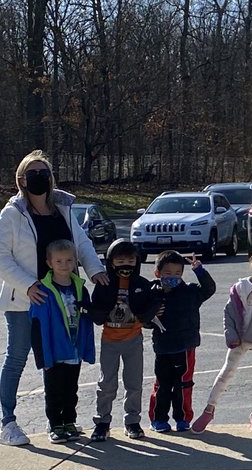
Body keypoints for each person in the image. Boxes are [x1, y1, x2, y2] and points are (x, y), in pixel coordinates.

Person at [0, 151, 106, 447]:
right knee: (17, 356)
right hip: (26, 299)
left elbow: (80, 242)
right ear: (21, 179)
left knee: (61, 361)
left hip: (62, 298)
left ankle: (62, 420)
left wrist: (95, 270)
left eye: (43, 172)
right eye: (31, 173)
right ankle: (7, 421)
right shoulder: (11, 214)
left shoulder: (63, 208)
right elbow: (2, 257)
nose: (38, 178)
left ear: (51, 178)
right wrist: (29, 285)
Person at [192, 246, 252, 434]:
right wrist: (232, 336)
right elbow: (229, 312)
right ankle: (209, 409)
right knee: (226, 373)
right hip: (240, 338)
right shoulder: (240, 286)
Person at [86, 239, 161, 442]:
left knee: (134, 383)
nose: (125, 264)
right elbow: (96, 310)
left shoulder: (142, 285)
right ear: (111, 262)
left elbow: (149, 312)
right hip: (110, 340)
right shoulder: (104, 285)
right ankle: (102, 422)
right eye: (120, 260)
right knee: (107, 383)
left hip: (133, 340)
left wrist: (154, 308)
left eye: (130, 259)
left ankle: (132, 421)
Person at [29, 240, 94, 443]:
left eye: (69, 260)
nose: (64, 265)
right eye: (59, 261)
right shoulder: (43, 291)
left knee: (70, 390)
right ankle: (55, 425)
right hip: (54, 353)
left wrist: (86, 348)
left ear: (75, 261)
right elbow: (37, 327)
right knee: (54, 391)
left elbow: (87, 320)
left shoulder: (80, 288)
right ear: (49, 263)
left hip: (73, 351)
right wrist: (43, 357)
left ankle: (69, 422)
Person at [147, 250, 215, 433]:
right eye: (168, 273)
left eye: (177, 273)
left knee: (184, 384)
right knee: (162, 385)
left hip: (185, 346)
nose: (173, 277)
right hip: (163, 347)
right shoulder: (153, 294)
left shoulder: (190, 292)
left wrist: (199, 270)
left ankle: (183, 418)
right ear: (158, 274)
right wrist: (151, 314)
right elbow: (144, 320)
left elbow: (209, 289)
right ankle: (158, 419)